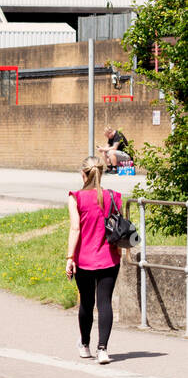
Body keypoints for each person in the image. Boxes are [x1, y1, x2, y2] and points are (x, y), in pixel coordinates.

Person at [65, 156, 123, 364]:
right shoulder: (115, 196)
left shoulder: (76, 197)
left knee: (86, 303)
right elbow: (117, 227)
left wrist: (70, 257)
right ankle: (103, 350)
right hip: (110, 258)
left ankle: (85, 345)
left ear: (83, 174)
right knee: (105, 302)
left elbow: (75, 229)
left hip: (84, 259)